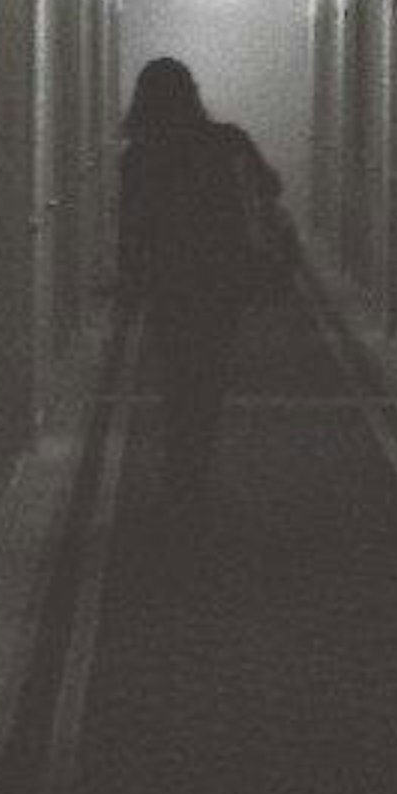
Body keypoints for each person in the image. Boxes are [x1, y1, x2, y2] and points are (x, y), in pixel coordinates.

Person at [115, 56, 280, 510]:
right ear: (192, 93)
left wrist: (130, 286)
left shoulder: (139, 157)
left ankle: (180, 477)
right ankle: (194, 470)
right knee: (208, 377)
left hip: (170, 286)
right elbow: (271, 187)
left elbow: (132, 230)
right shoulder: (228, 142)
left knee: (176, 380)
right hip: (221, 281)